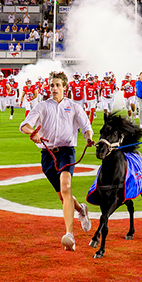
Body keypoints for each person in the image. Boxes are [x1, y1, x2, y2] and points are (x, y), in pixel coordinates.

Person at [19, 71, 94, 251]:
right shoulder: (42, 106)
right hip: (47, 155)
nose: (54, 88)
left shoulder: (74, 107)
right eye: (52, 85)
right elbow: (24, 125)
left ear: (65, 88)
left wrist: (89, 138)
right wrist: (33, 132)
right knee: (63, 196)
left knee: (66, 187)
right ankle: (81, 210)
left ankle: (69, 235)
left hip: (67, 152)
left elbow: (86, 127)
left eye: (57, 85)